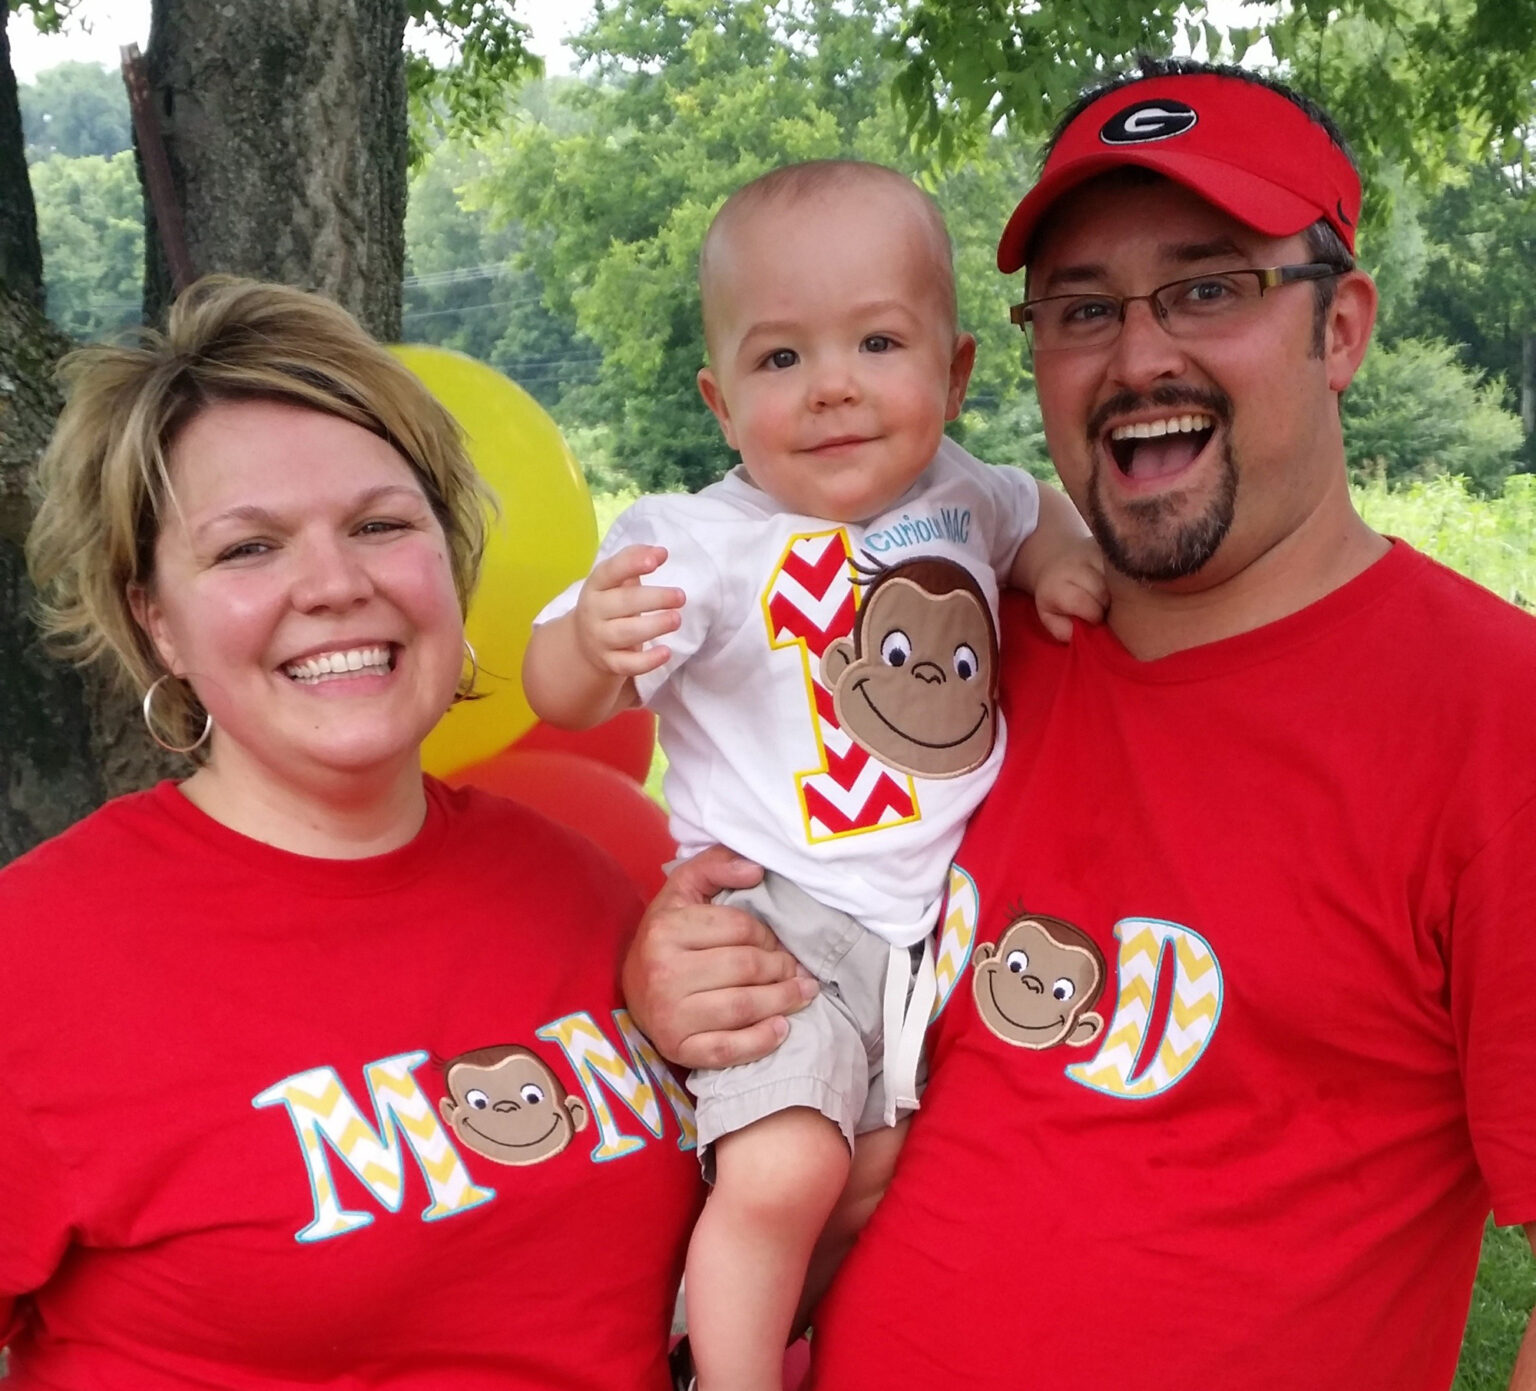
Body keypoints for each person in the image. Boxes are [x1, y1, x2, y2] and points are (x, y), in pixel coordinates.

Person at [621, 60, 1536, 1391]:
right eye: (1085, 306)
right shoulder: (950, 642)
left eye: (1210, 286)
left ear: (1341, 326)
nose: (1139, 352)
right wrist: (680, 976)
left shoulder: (1493, 715)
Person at [2, 277, 701, 1390]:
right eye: (247, 549)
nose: (334, 584)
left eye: (381, 524)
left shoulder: (582, 883)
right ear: (155, 616)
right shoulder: (34, 958)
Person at [522, 161, 1106, 1390]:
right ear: (721, 402)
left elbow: (1034, 506)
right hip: (776, 917)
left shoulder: (967, 495)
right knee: (785, 1167)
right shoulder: (697, 542)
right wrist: (586, 647)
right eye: (779, 359)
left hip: (930, 933)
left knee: (892, 1181)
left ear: (952, 374)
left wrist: (1058, 567)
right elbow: (558, 691)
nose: (832, 385)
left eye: (877, 341)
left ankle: (742, 1342)